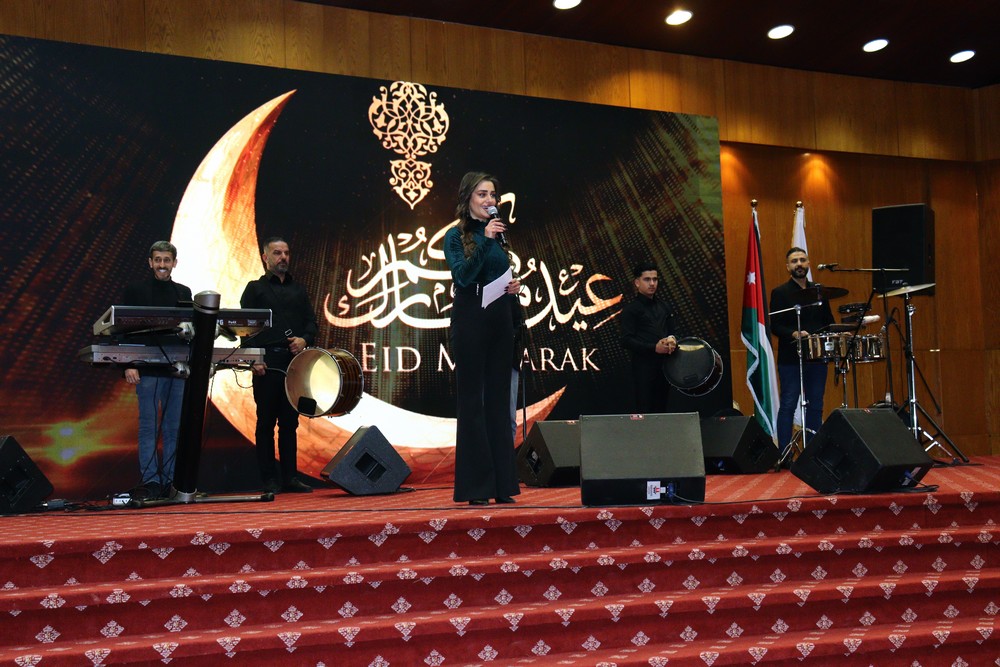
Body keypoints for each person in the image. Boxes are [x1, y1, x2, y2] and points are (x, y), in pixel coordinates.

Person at [444, 171, 522, 506]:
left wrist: (512, 285)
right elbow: (462, 278)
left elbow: (494, 272)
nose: (490, 200)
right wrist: (487, 240)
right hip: (471, 321)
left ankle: (502, 485)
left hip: (500, 320)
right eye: (482, 194)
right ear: (467, 199)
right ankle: (476, 488)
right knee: (473, 402)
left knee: (498, 402)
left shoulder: (499, 235)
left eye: (492, 195)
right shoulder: (455, 236)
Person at [240, 237, 319, 494]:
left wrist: (304, 339)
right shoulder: (255, 289)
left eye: (286, 252)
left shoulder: (299, 290)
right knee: (265, 423)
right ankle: (269, 480)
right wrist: (254, 359)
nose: (283, 257)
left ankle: (290, 478)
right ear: (265, 257)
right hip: (266, 362)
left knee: (290, 422)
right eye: (277, 253)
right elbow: (244, 328)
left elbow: (311, 322)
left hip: (293, 363)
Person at [121, 240, 193, 500]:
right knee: (148, 426)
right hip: (146, 368)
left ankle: (172, 481)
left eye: (167, 260)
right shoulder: (135, 291)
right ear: (150, 263)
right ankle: (151, 481)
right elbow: (123, 328)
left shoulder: (184, 292)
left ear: (175, 263)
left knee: (174, 427)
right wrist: (128, 363)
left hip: (177, 368)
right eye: (158, 260)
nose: (163, 265)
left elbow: (190, 330)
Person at [769, 247, 835, 456]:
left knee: (816, 404)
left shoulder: (819, 291)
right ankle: (785, 453)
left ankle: (814, 453)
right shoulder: (780, 292)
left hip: (817, 358)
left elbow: (829, 322)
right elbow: (774, 325)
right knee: (788, 404)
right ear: (787, 266)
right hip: (791, 359)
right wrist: (794, 333)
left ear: (808, 263)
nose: (799, 264)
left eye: (802, 260)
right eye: (794, 261)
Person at [619, 262, 678, 413]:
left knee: (664, 410)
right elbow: (626, 340)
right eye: (647, 279)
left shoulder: (665, 306)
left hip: (667, 368)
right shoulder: (630, 310)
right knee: (645, 412)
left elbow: (674, 331)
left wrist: (672, 339)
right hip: (643, 369)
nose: (652, 283)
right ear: (637, 282)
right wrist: (654, 348)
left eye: (655, 279)